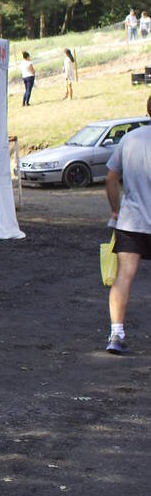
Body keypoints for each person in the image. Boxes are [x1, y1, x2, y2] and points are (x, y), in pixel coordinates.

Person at [104, 94, 151, 354]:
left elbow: (111, 179)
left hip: (131, 221)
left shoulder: (130, 138)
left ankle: (116, 334)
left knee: (124, 275)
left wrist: (115, 209)